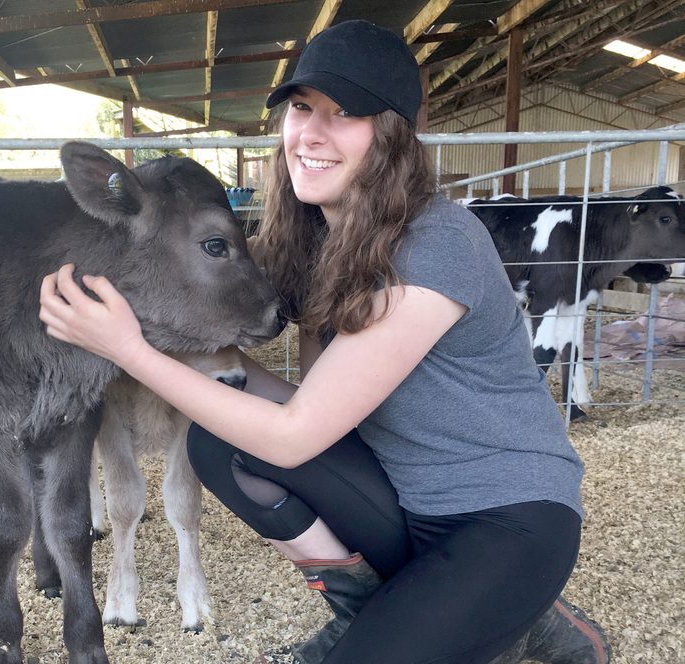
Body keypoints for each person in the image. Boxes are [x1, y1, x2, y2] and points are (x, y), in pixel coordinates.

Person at [39, 19, 611, 664]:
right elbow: (318, 403)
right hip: (400, 503)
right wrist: (198, 352)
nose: (310, 133)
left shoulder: (437, 242)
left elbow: (297, 434)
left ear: (390, 135)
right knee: (218, 440)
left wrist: (129, 351)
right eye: (302, 108)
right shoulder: (316, 246)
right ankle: (388, 607)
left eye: (345, 114)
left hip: (506, 519)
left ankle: (512, 606)